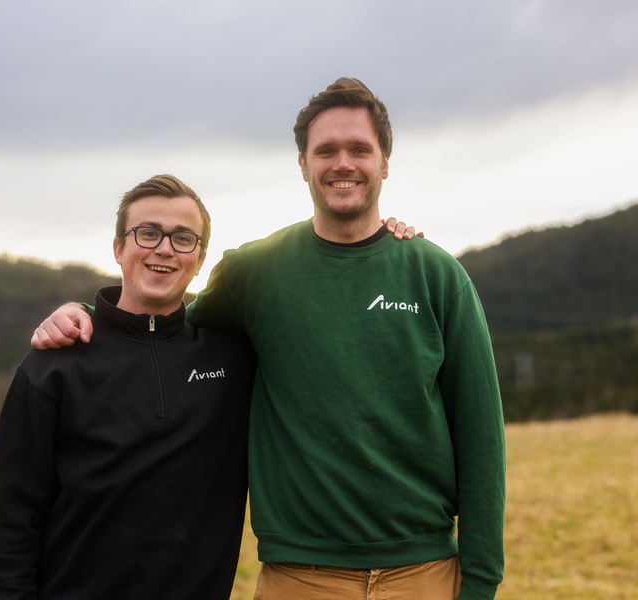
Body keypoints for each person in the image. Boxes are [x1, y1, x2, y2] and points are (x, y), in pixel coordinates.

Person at [34, 78, 506, 600]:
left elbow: (481, 436)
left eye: (359, 150)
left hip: (426, 574)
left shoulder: (436, 275)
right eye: (325, 150)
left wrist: (480, 582)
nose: (342, 163)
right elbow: (162, 323)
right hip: (298, 577)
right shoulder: (255, 272)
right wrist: (82, 314)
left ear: (385, 162)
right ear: (303, 164)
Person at [0, 175, 257, 599]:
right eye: (148, 233)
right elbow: (8, 519)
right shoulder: (55, 363)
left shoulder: (232, 357)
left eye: (183, 238)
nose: (164, 248)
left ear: (199, 259)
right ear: (118, 248)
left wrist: (388, 241)